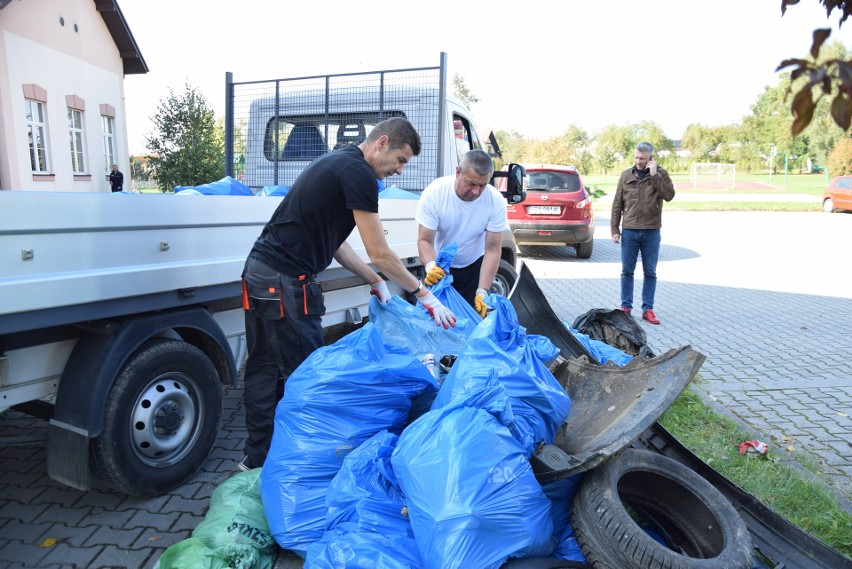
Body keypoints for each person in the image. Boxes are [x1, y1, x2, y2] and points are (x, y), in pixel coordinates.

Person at [238, 117, 455, 471]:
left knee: (264, 368)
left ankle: (257, 459)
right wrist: (423, 294)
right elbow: (381, 252)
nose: (400, 171)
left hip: (262, 271)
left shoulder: (339, 162)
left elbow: (335, 241)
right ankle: (305, 465)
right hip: (284, 280)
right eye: (401, 160)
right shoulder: (359, 175)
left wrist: (374, 279)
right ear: (382, 142)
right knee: (309, 375)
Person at [415, 149, 508, 318]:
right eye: (471, 183)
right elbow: (424, 241)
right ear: (458, 172)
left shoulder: (495, 201)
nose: (476, 192)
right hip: (439, 267)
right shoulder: (435, 194)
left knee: (469, 322)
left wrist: (482, 291)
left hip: (473, 268)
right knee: (434, 321)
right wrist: (431, 267)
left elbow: (493, 249)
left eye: (482, 185)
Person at [610, 142, 675, 325]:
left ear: (651, 158)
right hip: (629, 230)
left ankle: (648, 309)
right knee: (627, 271)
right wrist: (615, 230)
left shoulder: (660, 174)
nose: (639, 161)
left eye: (643, 158)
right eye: (637, 157)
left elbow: (669, 195)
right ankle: (626, 308)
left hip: (651, 231)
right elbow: (617, 204)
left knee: (650, 272)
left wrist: (655, 176)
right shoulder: (626, 175)